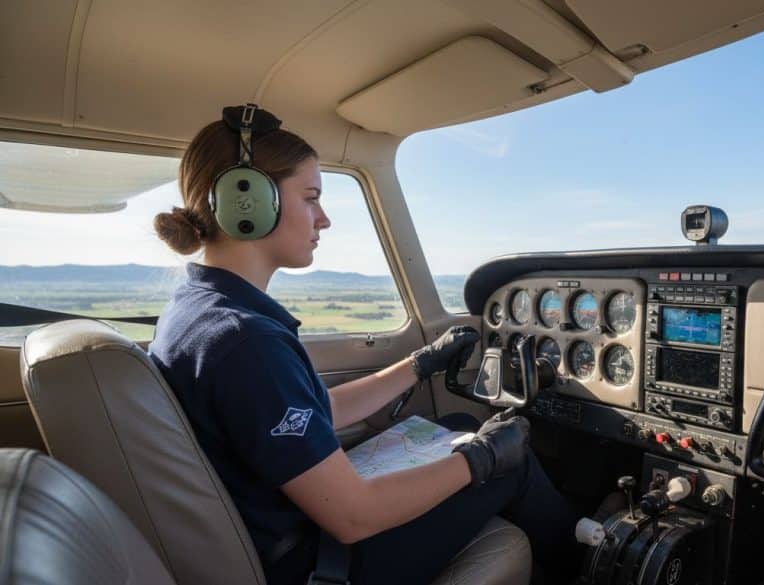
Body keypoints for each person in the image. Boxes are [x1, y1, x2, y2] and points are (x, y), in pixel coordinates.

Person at [147, 106, 579, 585]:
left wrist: (418, 364)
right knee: (507, 467)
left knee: (457, 425)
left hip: (289, 531)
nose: (324, 218)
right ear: (247, 201)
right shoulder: (244, 341)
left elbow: (311, 413)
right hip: (316, 561)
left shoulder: (203, 309)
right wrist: (485, 459)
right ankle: (589, 570)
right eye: (311, 198)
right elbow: (353, 515)